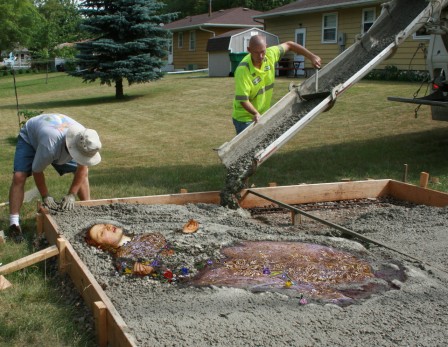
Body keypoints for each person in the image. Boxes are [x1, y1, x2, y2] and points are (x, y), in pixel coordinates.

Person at [8, 113, 102, 242]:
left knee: (82, 174)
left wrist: (71, 195)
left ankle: (88, 211)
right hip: (30, 137)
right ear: (73, 147)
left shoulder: (85, 139)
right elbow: (37, 170)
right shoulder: (51, 145)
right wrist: (46, 195)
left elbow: (82, 169)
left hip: (53, 139)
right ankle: (14, 224)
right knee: (19, 176)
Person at [232, 35, 322, 134]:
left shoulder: (270, 54)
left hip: (262, 114)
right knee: (248, 148)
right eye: (256, 53)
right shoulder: (243, 70)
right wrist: (255, 113)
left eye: (262, 51)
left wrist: (312, 56)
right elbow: (243, 100)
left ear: (266, 47)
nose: (260, 56)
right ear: (249, 50)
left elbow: (290, 45)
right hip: (245, 119)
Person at [85, 223, 177, 278]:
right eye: (101, 233)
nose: (107, 227)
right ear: (101, 247)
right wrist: (150, 267)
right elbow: (128, 270)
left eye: (104, 225)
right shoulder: (122, 258)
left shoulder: (143, 235)